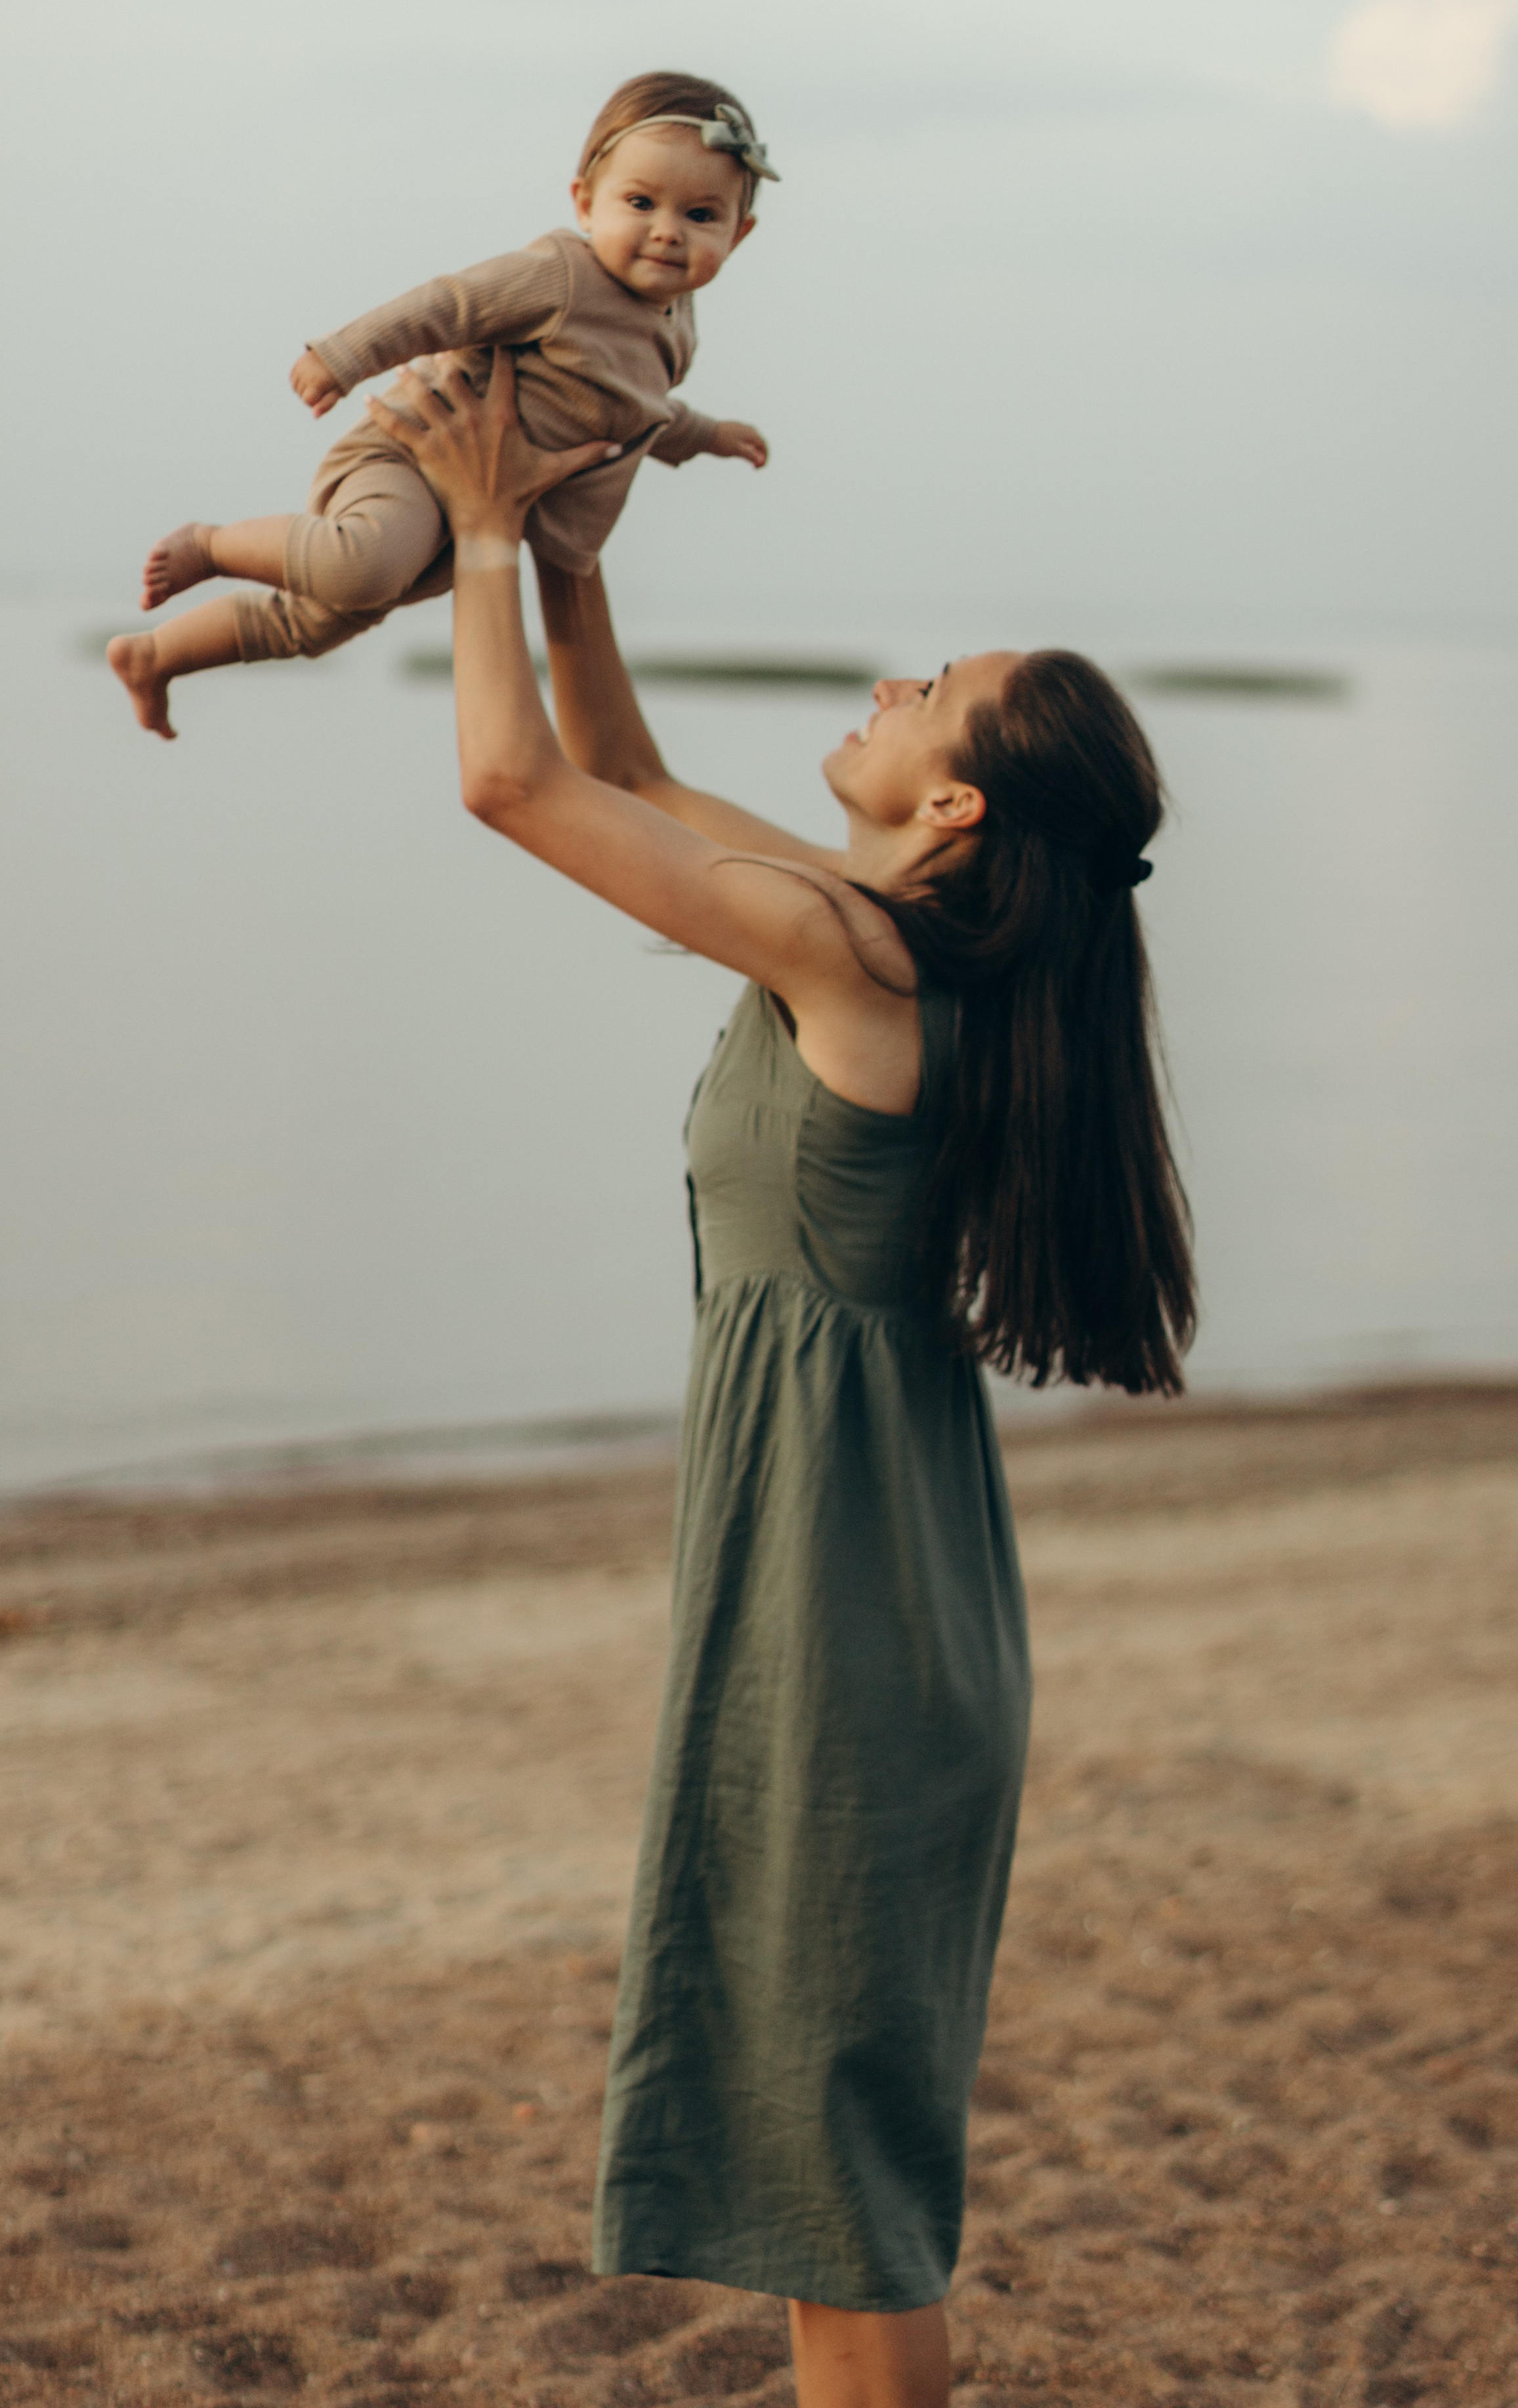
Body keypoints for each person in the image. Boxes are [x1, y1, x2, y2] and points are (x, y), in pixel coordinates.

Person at [362, 352, 1195, 2408]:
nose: (889, 685)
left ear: (958, 801)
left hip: (855, 1617)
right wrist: (567, 554)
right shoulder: (857, 929)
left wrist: (470, 523)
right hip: (840, 1583)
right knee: (807, 2136)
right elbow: (618, 765)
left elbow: (511, 787)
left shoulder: (869, 966)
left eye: (931, 687)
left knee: (839, 2175)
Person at [106, 72, 773, 740]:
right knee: (362, 567)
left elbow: (640, 411)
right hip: (414, 453)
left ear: (737, 236)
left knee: (315, 622)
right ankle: (213, 544)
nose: (667, 233)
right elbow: (449, 306)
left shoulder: (674, 324)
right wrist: (344, 356)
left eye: (700, 216)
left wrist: (710, 435)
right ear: (585, 203)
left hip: (475, 508)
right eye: (640, 202)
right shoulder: (562, 277)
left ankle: (155, 656)